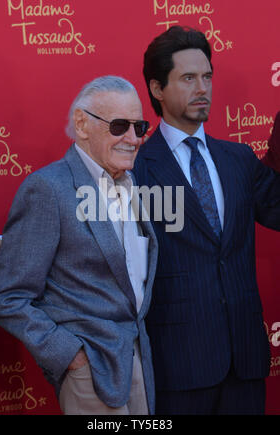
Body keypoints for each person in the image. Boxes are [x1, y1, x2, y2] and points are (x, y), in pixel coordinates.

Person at [0, 75, 158, 415]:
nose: (133, 138)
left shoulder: (130, 183)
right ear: (82, 125)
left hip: (137, 357)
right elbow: (8, 297)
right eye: (119, 126)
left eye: (139, 127)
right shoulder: (48, 189)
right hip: (90, 370)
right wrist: (70, 357)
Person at [133, 26, 280, 415]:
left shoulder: (239, 159)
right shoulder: (137, 170)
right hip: (179, 365)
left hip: (246, 360)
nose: (203, 88)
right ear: (157, 88)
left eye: (207, 77)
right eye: (188, 78)